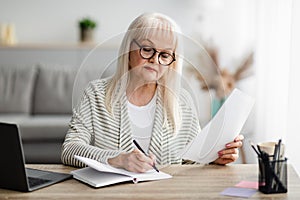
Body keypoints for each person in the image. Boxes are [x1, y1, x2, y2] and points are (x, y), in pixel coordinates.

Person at [61, 12, 244, 172]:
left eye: (165, 55)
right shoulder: (96, 94)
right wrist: (117, 159)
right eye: (147, 49)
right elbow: (70, 150)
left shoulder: (181, 101)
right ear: (128, 49)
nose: (155, 60)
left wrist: (214, 158)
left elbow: (192, 161)